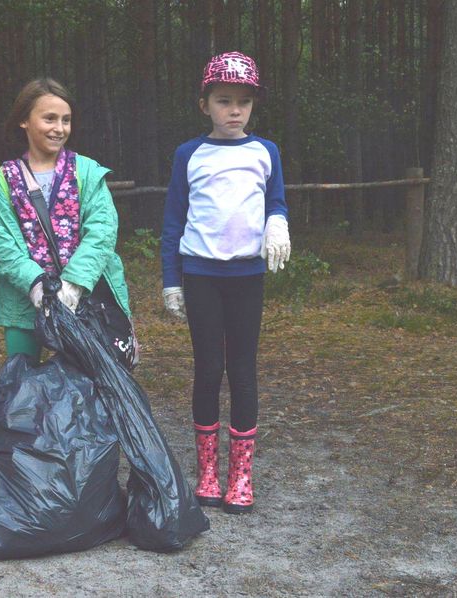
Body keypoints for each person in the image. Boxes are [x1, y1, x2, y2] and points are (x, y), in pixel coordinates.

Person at [160, 52, 291, 514]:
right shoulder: (189, 154)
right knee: (208, 368)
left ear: (253, 105)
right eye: (223, 101)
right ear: (205, 104)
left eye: (243, 102)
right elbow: (174, 220)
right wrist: (170, 281)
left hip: (246, 277)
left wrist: (278, 224)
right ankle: (209, 473)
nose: (234, 110)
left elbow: (276, 201)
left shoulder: (265, 152)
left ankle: (241, 476)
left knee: (242, 369)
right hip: (200, 275)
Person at [0, 78, 134, 365]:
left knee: (92, 388)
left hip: (86, 300)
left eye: (66, 120)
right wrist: (36, 284)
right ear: (24, 120)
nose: (59, 128)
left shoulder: (87, 172)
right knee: (23, 386)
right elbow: (1, 245)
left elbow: (102, 231)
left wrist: (73, 285)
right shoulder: (0, 182)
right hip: (24, 304)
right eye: (49, 118)